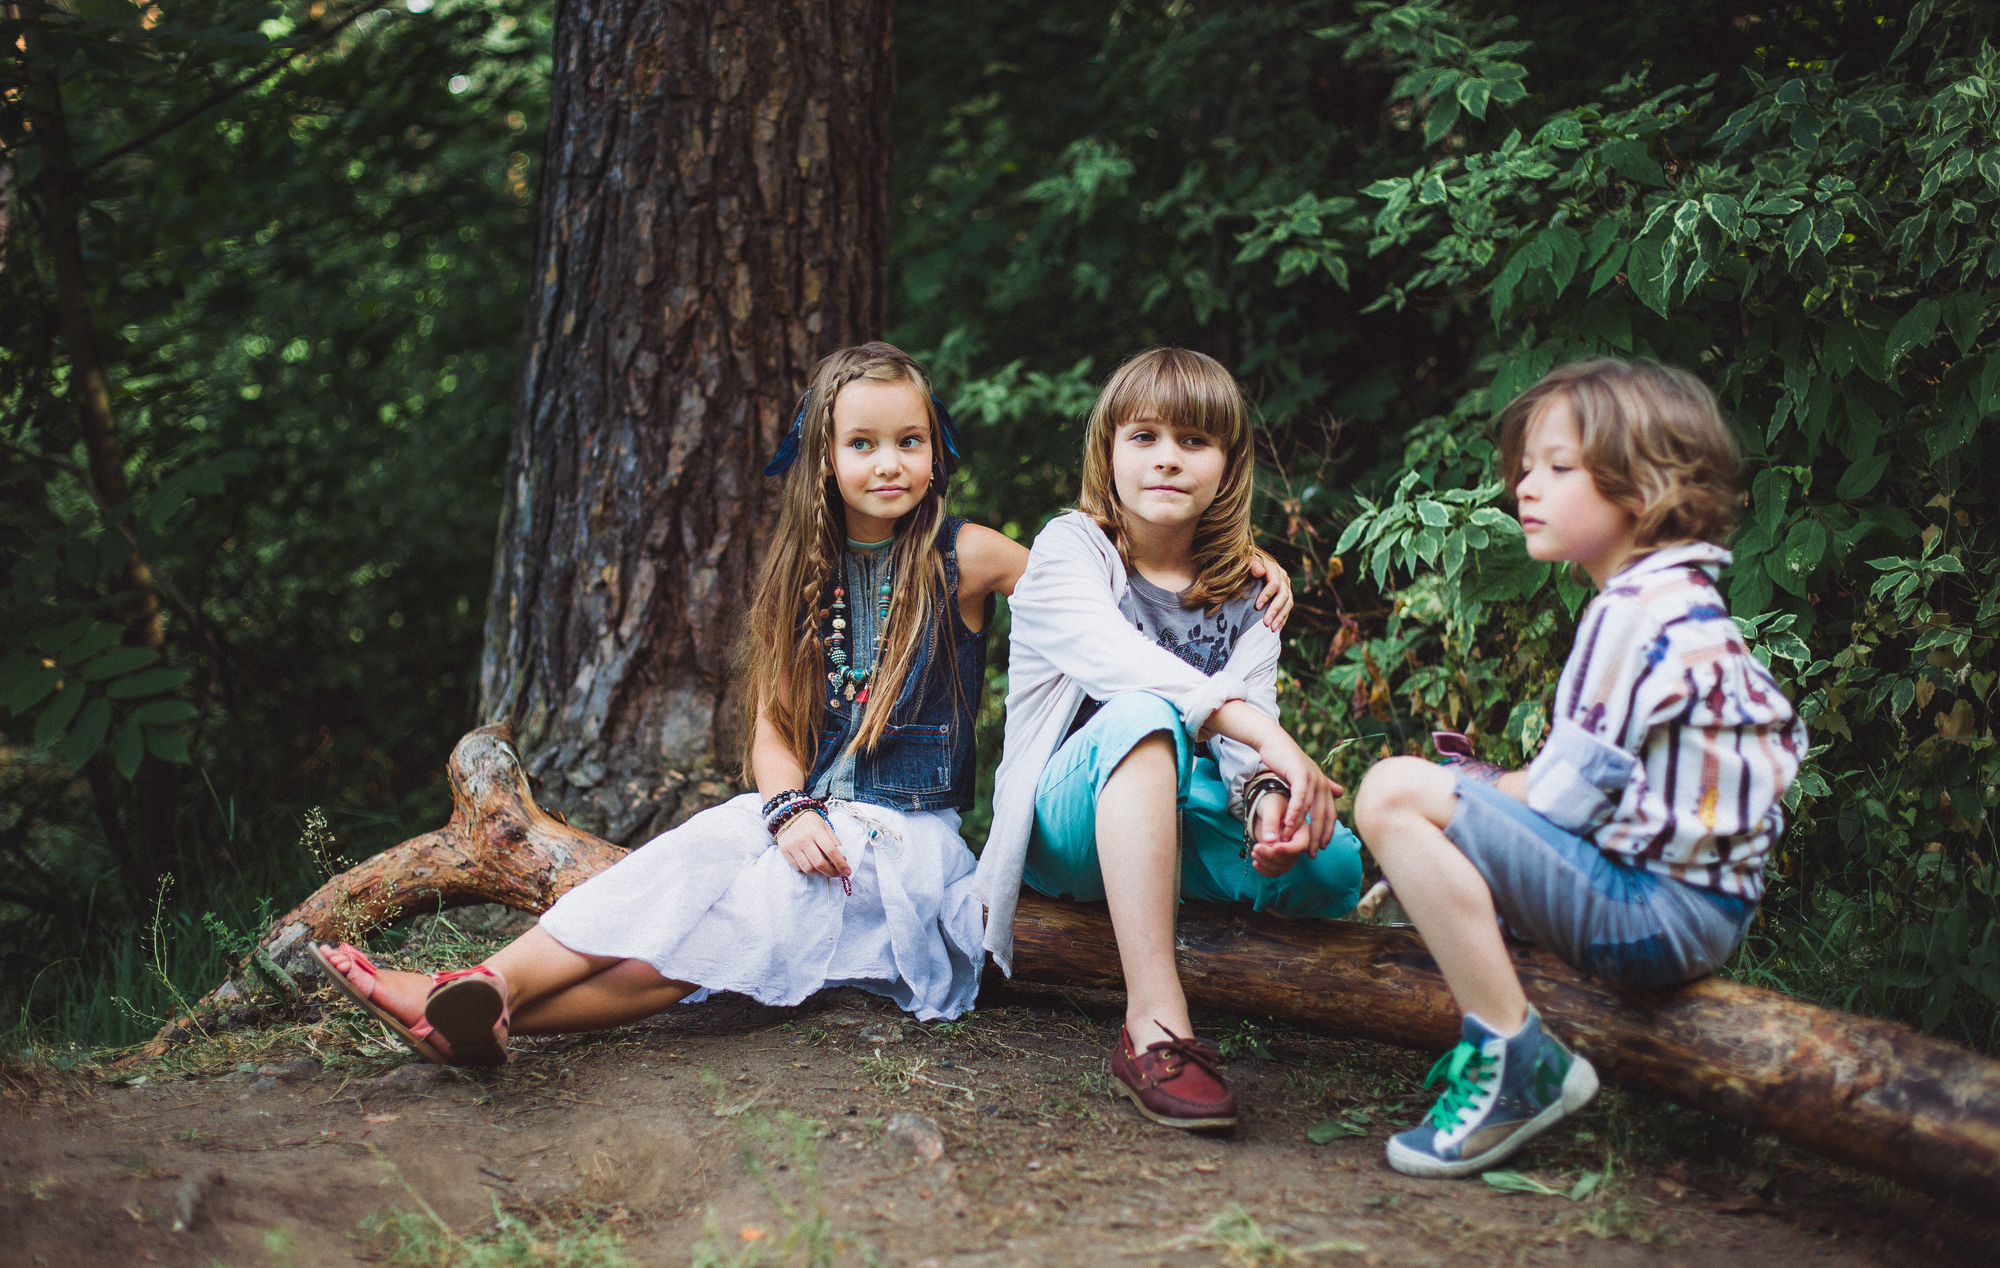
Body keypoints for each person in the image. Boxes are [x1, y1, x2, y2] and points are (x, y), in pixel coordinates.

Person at [311, 342, 1295, 1065]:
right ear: (823, 456)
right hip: (811, 818)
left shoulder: (973, 554)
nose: (888, 463)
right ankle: (483, 991)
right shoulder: (798, 576)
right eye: (862, 443)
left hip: (913, 841)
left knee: (753, 908)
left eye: (908, 441)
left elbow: (1105, 599)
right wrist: (785, 809)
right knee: (698, 849)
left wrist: (1226, 556)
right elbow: (775, 732)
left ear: (934, 449)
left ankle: (479, 999)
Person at [1351, 358, 1806, 1178]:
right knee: (1445, 804)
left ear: (1645, 485)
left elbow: (1560, 801)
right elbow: (1602, 795)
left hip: (1654, 915)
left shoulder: (1628, 611)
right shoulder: (1688, 599)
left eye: (1559, 468)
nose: (1527, 486)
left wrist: (1469, 794)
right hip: (1709, 910)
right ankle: (1463, 925)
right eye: (1526, 469)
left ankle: (1519, 1060)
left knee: (1392, 793)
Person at [976, 346, 1363, 1130]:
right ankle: (1154, 1024)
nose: (1167, 459)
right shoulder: (1068, 550)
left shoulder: (1249, 596)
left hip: (1179, 812)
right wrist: (1261, 729)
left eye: (1194, 441)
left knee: (1332, 866)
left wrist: (1267, 805)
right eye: (1144, 437)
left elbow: (1248, 753)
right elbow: (1117, 662)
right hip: (1068, 826)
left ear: (1227, 464)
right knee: (1144, 712)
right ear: (1108, 453)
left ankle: (1188, 876)